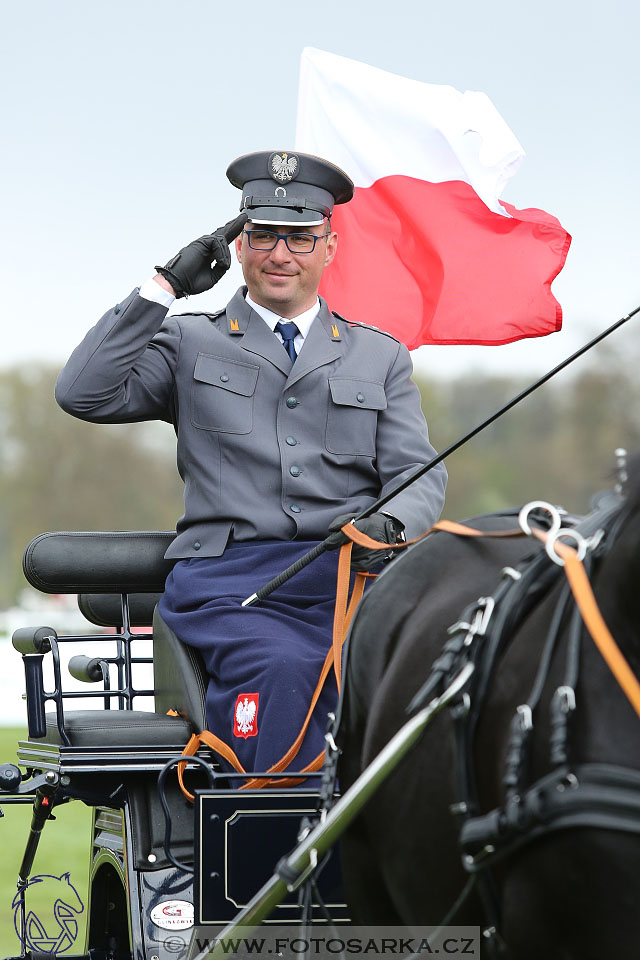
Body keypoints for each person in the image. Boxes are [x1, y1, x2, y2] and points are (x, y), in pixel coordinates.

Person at [55, 150, 447, 780]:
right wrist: (164, 286)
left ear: (329, 247)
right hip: (230, 586)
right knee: (285, 669)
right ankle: (282, 869)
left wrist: (391, 529)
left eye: (299, 237)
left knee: (443, 666)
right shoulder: (187, 340)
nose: (280, 254)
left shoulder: (380, 356)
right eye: (262, 235)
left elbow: (417, 473)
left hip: (348, 576)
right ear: (237, 246)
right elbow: (83, 392)